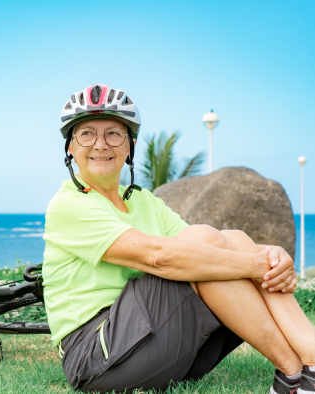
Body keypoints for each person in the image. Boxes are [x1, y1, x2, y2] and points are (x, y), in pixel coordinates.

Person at [42, 84, 315, 394]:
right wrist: (255, 264)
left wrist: (272, 254)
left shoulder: (143, 201)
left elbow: (215, 245)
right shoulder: (68, 204)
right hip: (97, 358)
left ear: (129, 146)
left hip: (155, 344)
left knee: (232, 238)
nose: (101, 144)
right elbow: (158, 256)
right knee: (205, 248)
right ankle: (296, 369)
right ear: (70, 149)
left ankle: (307, 363)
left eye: (114, 134)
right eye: (87, 134)